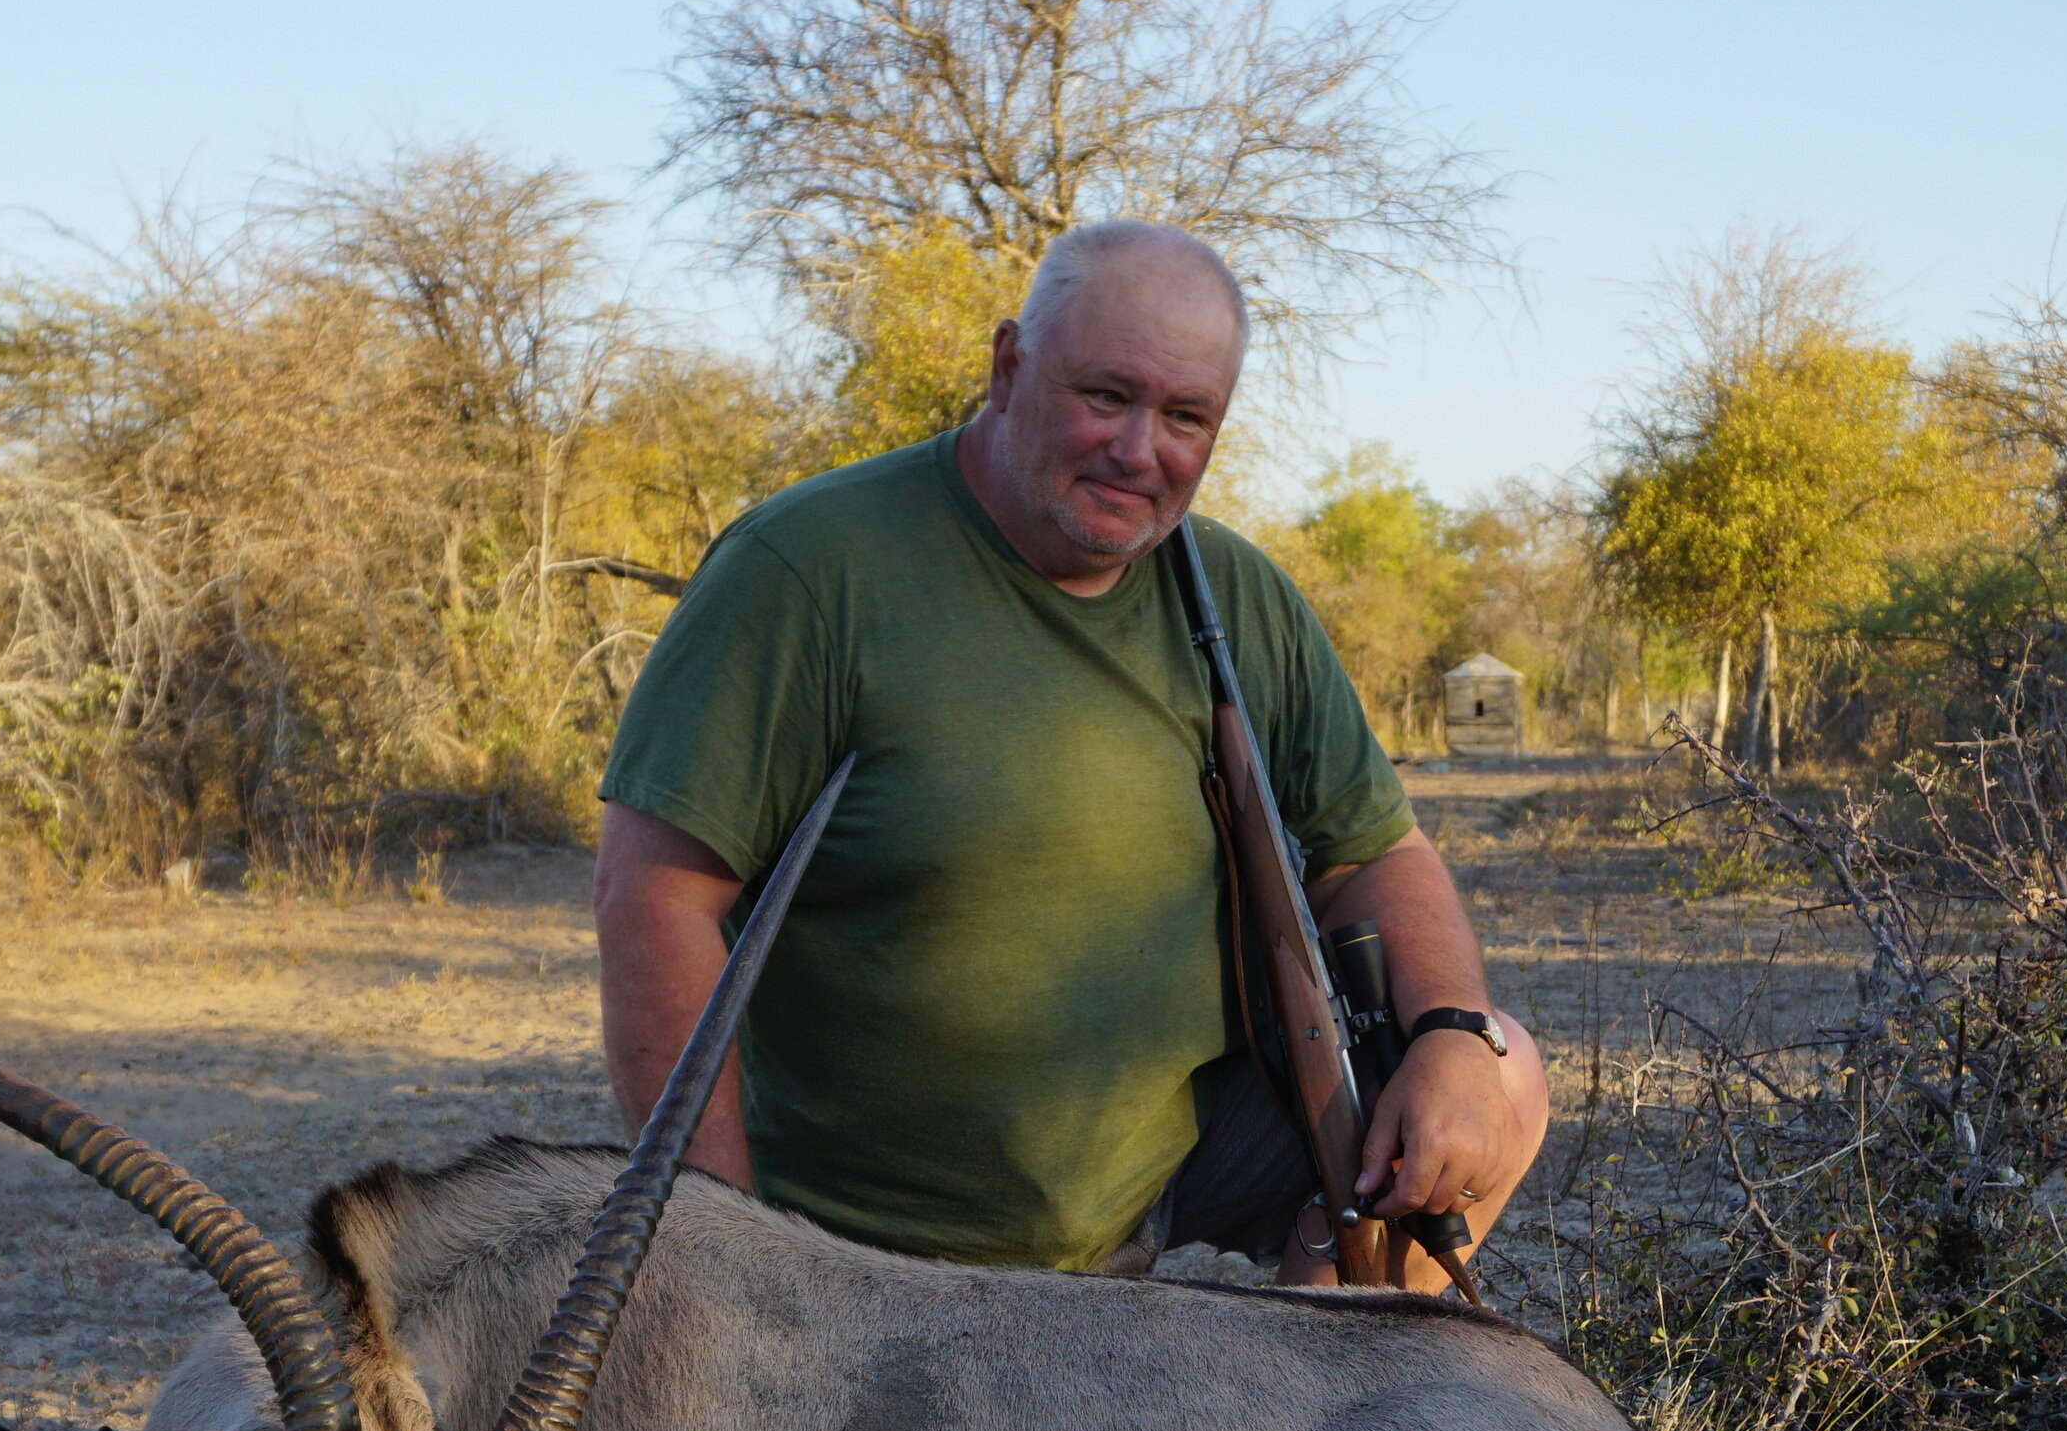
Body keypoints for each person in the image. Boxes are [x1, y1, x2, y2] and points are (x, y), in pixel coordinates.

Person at [593, 220, 1545, 1285]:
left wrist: (1454, 1035)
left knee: (1505, 1080)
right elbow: (658, 899)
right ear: (1009, 368)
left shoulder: (1239, 595)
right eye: (1105, 397)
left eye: (1185, 416)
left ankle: (1315, 1392)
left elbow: (1375, 855)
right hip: (864, 1235)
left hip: (1163, 1176)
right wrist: (728, 1252)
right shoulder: (805, 570)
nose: (1140, 450)